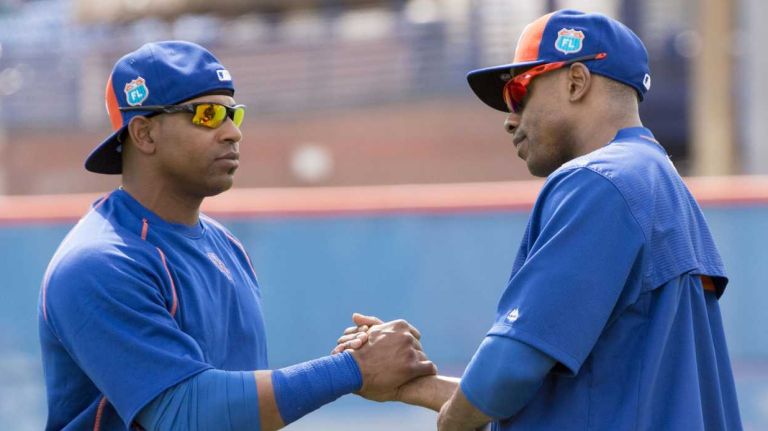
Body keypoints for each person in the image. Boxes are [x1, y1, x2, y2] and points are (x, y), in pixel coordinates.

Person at [337, 9, 743, 430]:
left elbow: (508, 369)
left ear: (575, 82)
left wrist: (452, 422)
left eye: (519, 93)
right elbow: (581, 393)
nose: (510, 118)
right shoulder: (658, 183)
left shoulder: (600, 181)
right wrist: (416, 388)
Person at [37, 40, 436, 431]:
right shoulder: (100, 261)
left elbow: (239, 409)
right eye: (208, 115)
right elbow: (184, 415)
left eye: (234, 114)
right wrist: (352, 370)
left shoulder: (224, 245)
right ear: (144, 134)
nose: (232, 132)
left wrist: (364, 362)